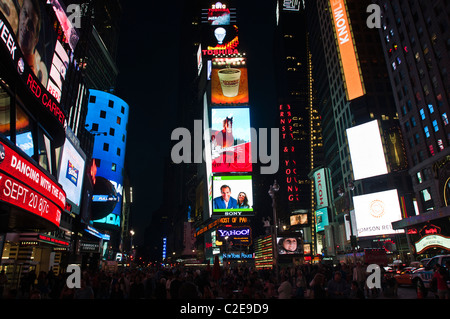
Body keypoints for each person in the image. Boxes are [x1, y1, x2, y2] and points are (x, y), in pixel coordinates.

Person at [17, 0, 47, 84]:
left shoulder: (28, 76)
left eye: (30, 26)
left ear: (35, 41)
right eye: (25, 14)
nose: (25, 25)